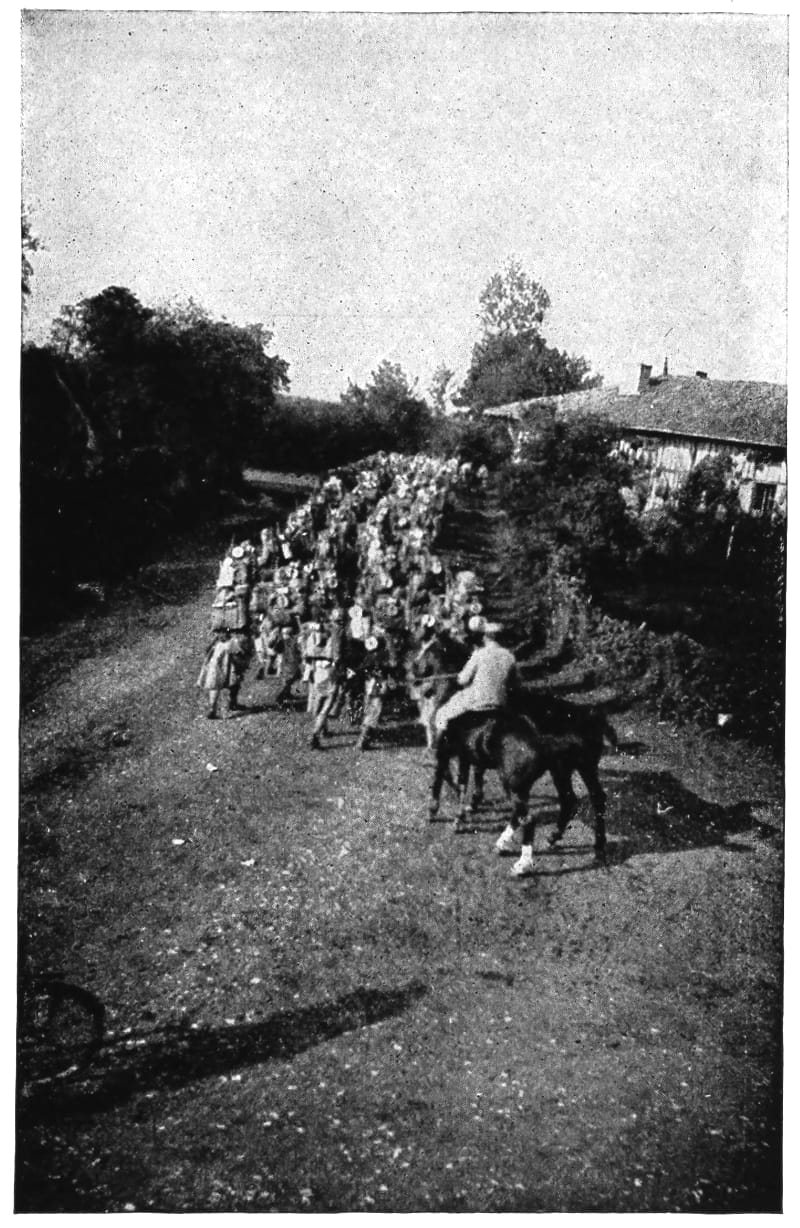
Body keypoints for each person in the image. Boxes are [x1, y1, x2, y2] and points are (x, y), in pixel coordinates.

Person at [432, 616, 520, 747]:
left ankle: (436, 748)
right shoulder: (509, 656)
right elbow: (516, 683)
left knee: (442, 713)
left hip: (477, 700)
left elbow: (462, 680)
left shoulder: (479, 654)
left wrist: (459, 677)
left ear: (485, 637)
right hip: (501, 701)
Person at [197, 630, 253, 719]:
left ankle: (218, 707)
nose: (221, 635)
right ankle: (215, 708)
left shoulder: (219, 643)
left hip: (217, 667)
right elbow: (239, 653)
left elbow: (208, 650)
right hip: (225, 667)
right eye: (220, 633)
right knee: (223, 685)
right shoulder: (230, 643)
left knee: (219, 685)